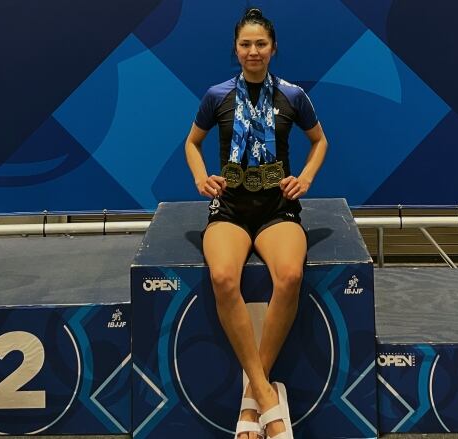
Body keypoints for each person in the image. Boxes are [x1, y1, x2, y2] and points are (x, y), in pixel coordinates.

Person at [184, 8, 328, 439]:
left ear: (273, 48)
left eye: (260, 44)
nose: (253, 51)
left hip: (276, 209)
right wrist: (199, 176)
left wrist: (304, 178)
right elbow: (193, 143)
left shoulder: (293, 95)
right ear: (236, 48)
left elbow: (319, 142)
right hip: (228, 207)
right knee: (224, 277)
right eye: (245, 44)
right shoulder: (217, 95)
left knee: (289, 275)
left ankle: (253, 394)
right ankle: (268, 397)